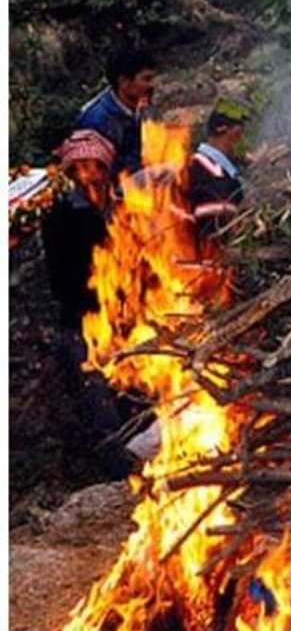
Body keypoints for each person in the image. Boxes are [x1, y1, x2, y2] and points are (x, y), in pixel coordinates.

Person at [39, 129, 134, 480]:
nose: (88, 175)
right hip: (83, 325)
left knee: (135, 399)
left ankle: (147, 469)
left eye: (95, 167)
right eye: (80, 169)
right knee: (101, 408)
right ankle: (119, 481)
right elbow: (63, 282)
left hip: (126, 322)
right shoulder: (61, 217)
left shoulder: (123, 208)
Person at [74, 48, 157, 177]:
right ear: (123, 82)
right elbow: (96, 176)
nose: (152, 85)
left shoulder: (140, 106)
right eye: (146, 79)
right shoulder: (96, 121)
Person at [187, 97, 251, 258]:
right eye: (241, 130)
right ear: (221, 128)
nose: (244, 139)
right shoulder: (205, 172)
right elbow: (213, 233)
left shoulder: (221, 171)